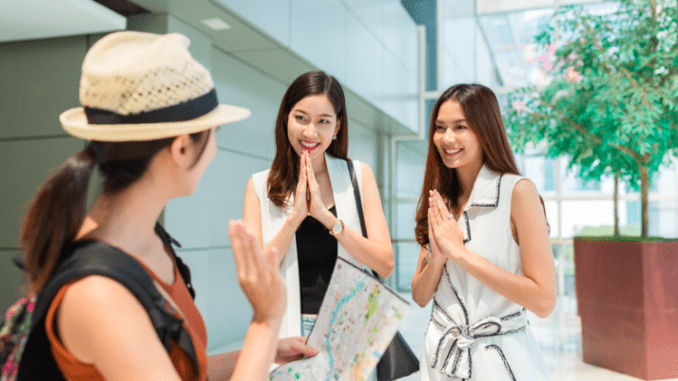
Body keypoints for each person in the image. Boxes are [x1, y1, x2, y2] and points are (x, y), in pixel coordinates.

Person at [19, 31, 317, 381]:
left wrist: (268, 350)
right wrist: (265, 321)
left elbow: (182, 372)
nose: (215, 150)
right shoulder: (100, 294)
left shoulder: (150, 243)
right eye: (212, 134)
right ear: (181, 149)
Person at [411, 84, 556, 380]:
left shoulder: (518, 192)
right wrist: (438, 257)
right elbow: (420, 295)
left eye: (460, 127)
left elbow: (543, 301)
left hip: (499, 360)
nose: (447, 138)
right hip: (440, 358)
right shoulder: (441, 199)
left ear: (485, 130)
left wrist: (459, 254)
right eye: (440, 128)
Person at [242, 71, 394, 339]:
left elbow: (385, 264)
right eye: (300, 118)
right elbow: (256, 276)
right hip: (289, 331)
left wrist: (329, 220)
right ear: (285, 119)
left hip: (351, 327)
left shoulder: (358, 176)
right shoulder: (258, 186)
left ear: (336, 127)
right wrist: (294, 219)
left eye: (323, 121)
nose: (310, 132)